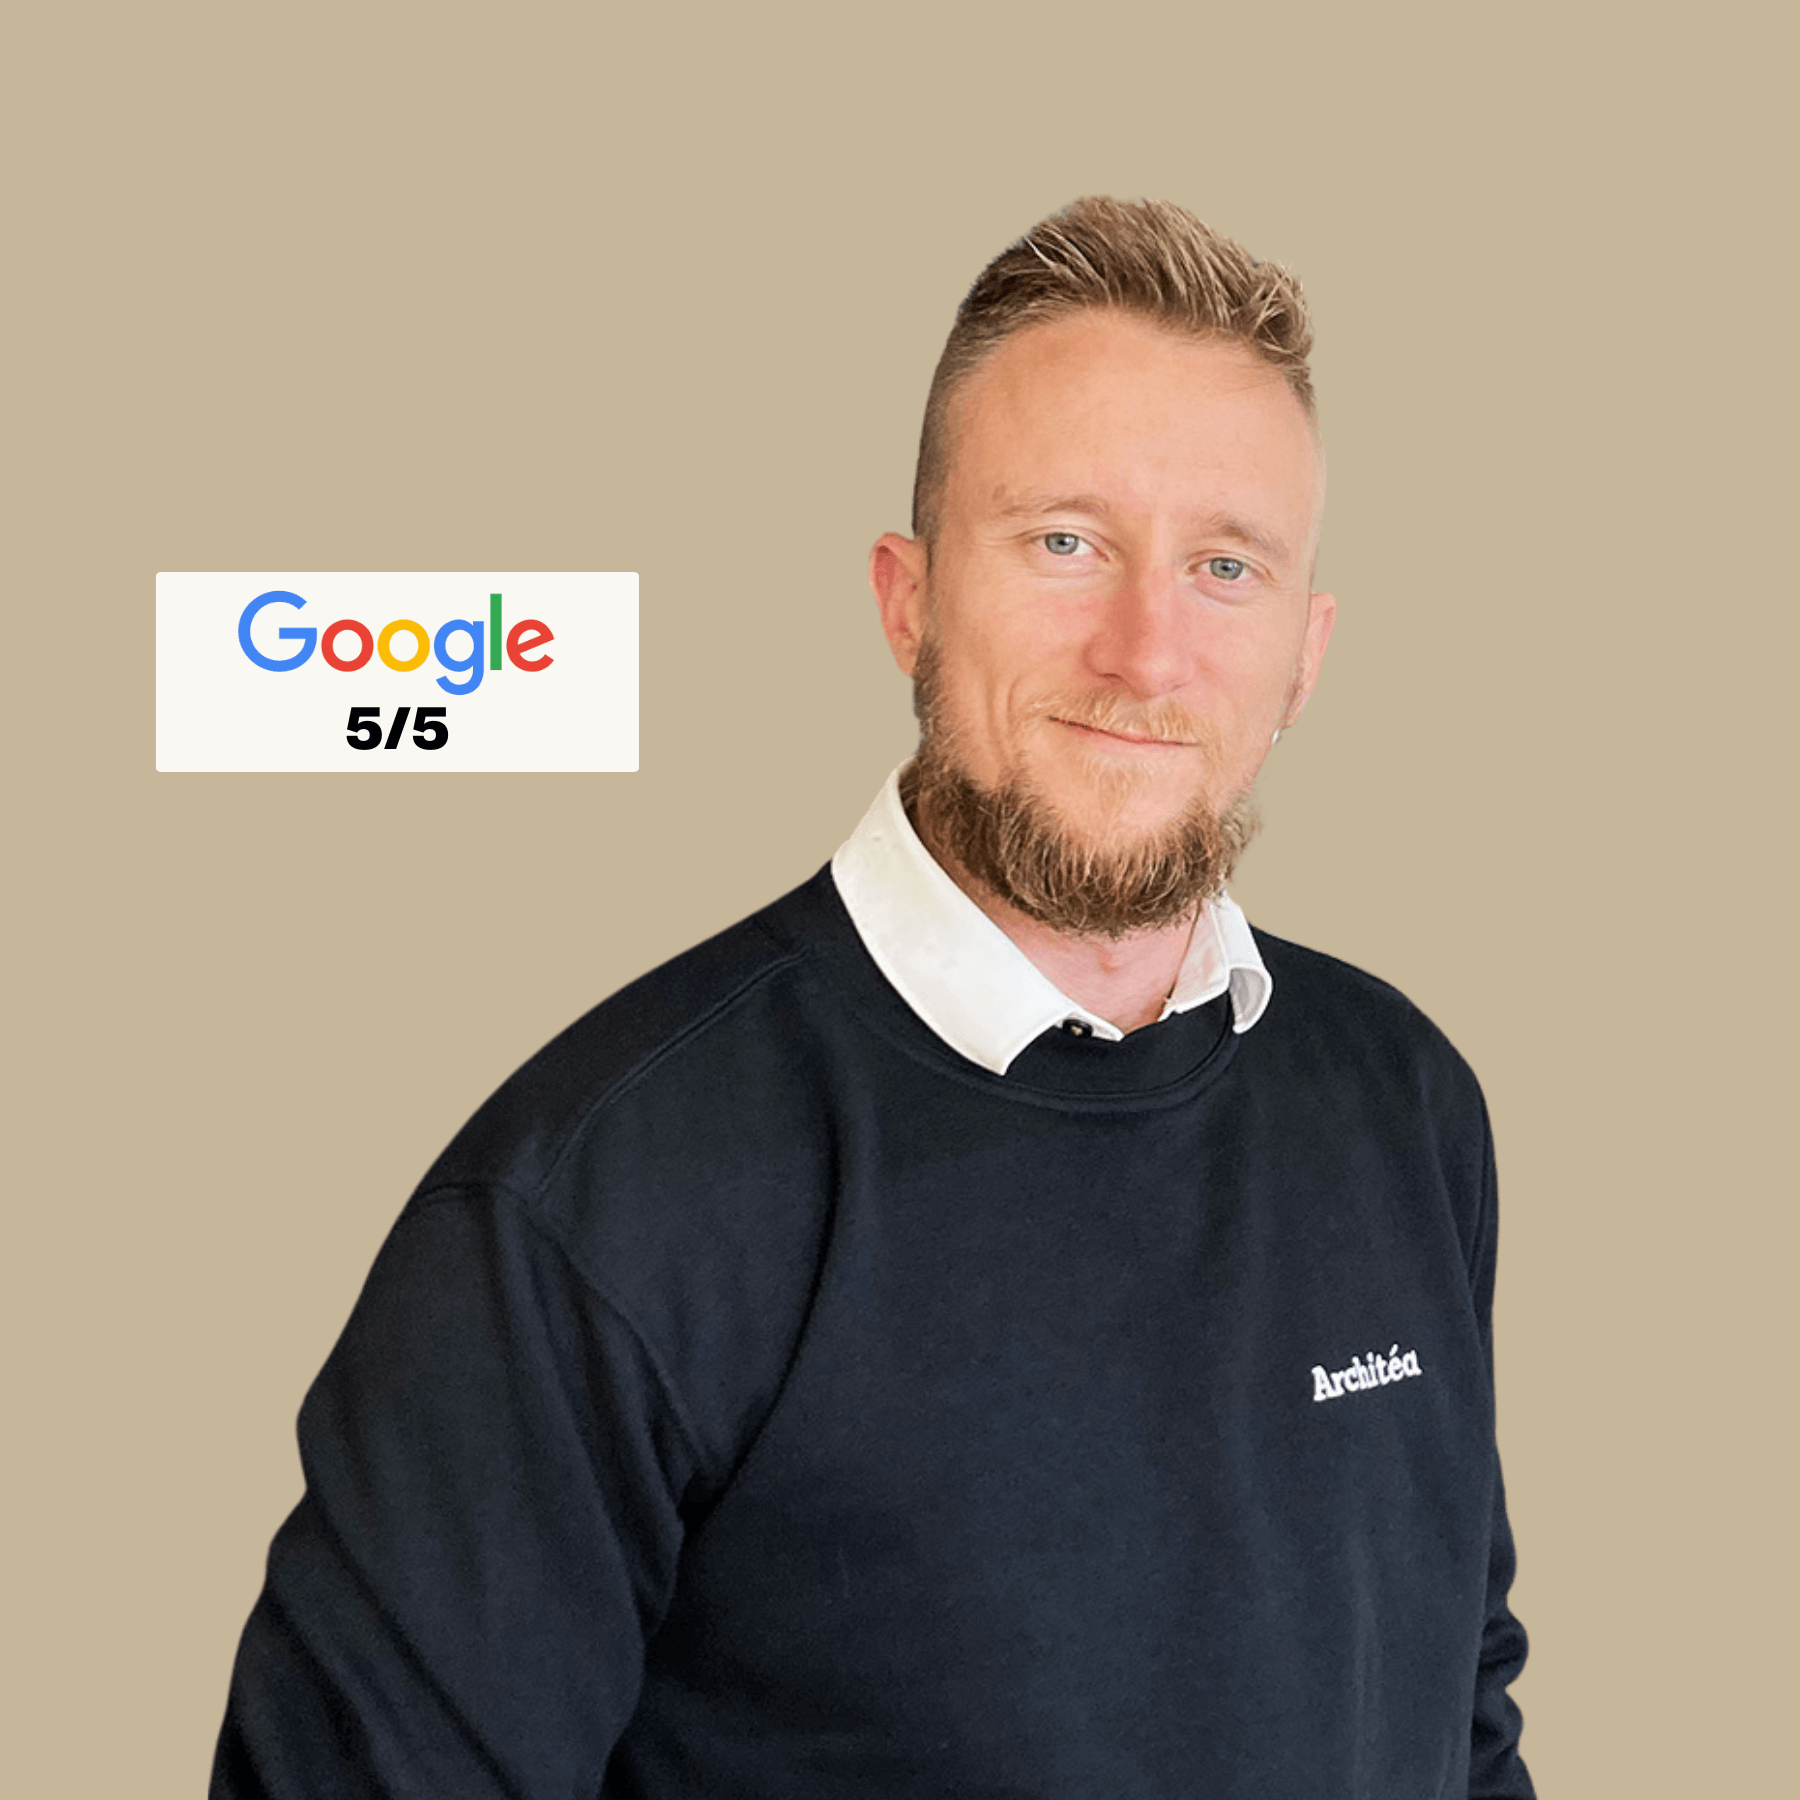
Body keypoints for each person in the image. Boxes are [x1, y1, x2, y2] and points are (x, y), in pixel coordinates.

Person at [213, 197, 1533, 1798]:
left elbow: (1458, 1708)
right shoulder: (593, 1206)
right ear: (907, 597)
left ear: (1306, 656)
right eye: (1065, 543)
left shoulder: (1403, 1101)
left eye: (1225, 566)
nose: (1146, 650)